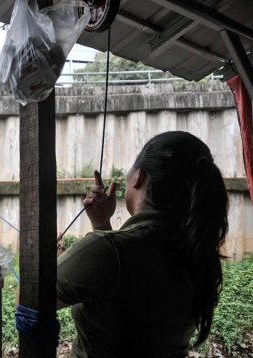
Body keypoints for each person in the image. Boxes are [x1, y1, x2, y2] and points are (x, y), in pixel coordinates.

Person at [55, 131, 229, 357]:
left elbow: (28, 301)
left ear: (138, 176)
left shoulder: (110, 251)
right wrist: (102, 225)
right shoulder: (199, 255)